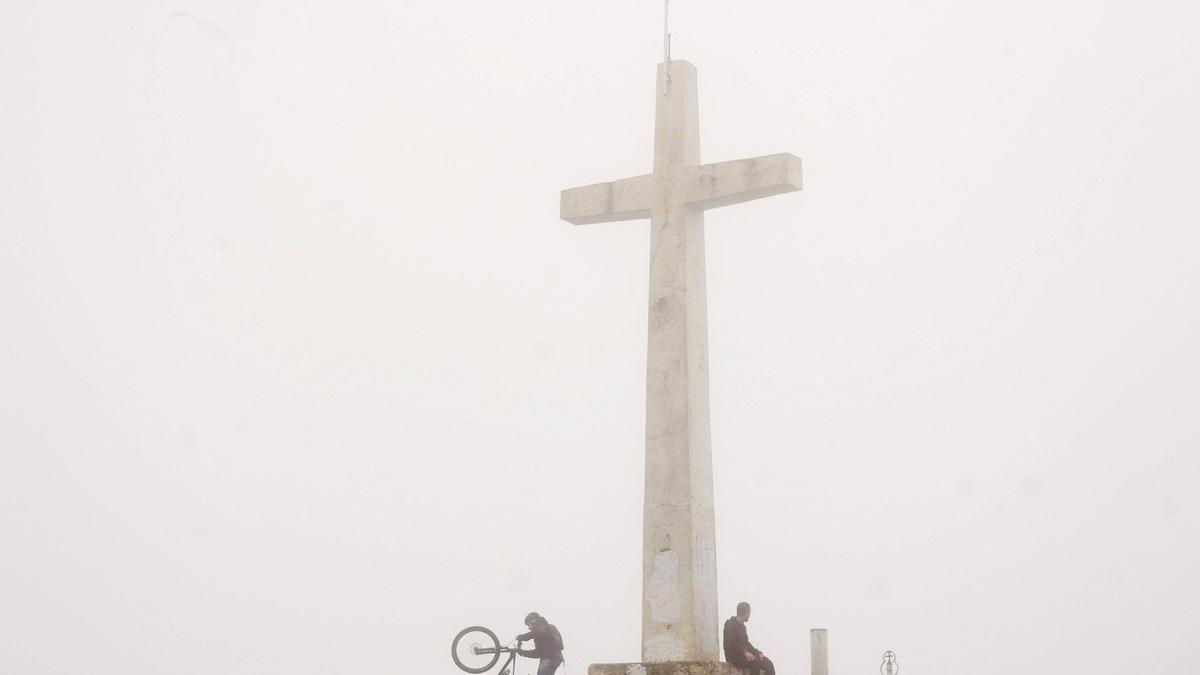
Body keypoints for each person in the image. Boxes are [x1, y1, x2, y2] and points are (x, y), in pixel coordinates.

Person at [723, 602, 774, 675]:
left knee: (768, 663)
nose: (749, 615)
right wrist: (744, 651)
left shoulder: (743, 627)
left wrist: (758, 653)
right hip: (733, 656)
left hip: (743, 654)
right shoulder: (729, 624)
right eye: (749, 613)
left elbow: (746, 643)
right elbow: (730, 643)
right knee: (754, 662)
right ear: (746, 613)